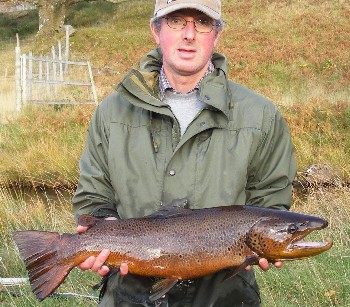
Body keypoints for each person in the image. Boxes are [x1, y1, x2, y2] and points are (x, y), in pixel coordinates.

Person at [72, 0, 296, 306]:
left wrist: (269, 246)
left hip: (227, 297)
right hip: (127, 295)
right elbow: (93, 197)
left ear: (216, 34)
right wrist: (102, 230)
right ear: (156, 30)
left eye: (202, 23)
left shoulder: (261, 116)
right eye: (176, 21)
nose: (189, 34)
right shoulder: (110, 113)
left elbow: (271, 202)